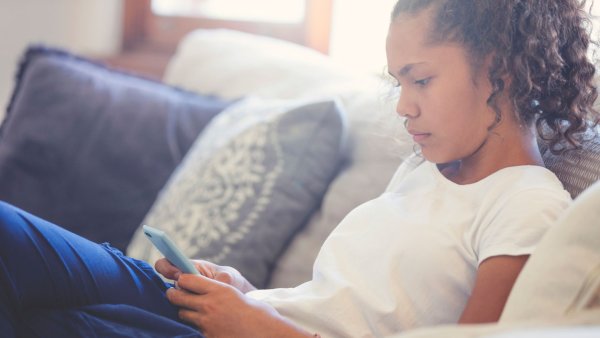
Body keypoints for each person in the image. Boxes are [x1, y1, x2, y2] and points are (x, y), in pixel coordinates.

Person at [1, 0, 598, 337]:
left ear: (502, 70)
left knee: (51, 325)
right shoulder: (424, 172)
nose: (403, 104)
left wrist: (259, 326)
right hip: (249, 324)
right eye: (399, 82)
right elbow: (340, 305)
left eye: (421, 79)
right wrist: (247, 296)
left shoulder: (528, 204)